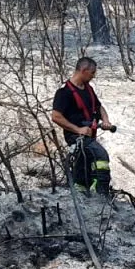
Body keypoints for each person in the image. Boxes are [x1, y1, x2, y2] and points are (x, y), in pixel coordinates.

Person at [51, 56, 116, 194]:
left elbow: (99, 107)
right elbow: (56, 117)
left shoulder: (88, 89)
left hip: (90, 135)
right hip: (76, 137)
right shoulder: (64, 92)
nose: (94, 76)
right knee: (101, 156)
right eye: (92, 72)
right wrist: (78, 129)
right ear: (83, 70)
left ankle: (81, 192)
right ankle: (102, 195)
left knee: (83, 167)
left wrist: (105, 120)